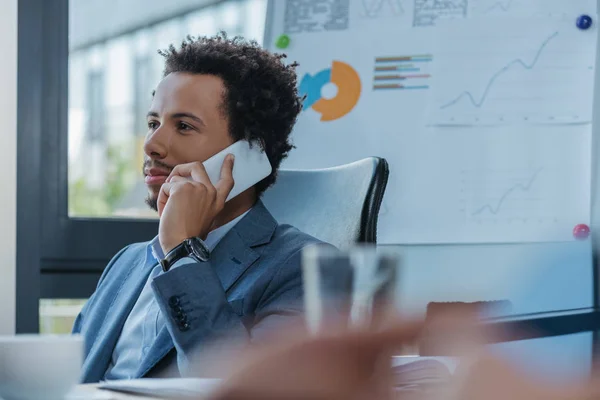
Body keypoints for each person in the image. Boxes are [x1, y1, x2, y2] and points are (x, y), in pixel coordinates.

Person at [73, 33, 330, 383]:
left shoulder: (304, 268)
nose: (152, 145)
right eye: (153, 124)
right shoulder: (126, 264)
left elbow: (249, 389)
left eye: (183, 126)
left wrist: (183, 253)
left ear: (248, 156)